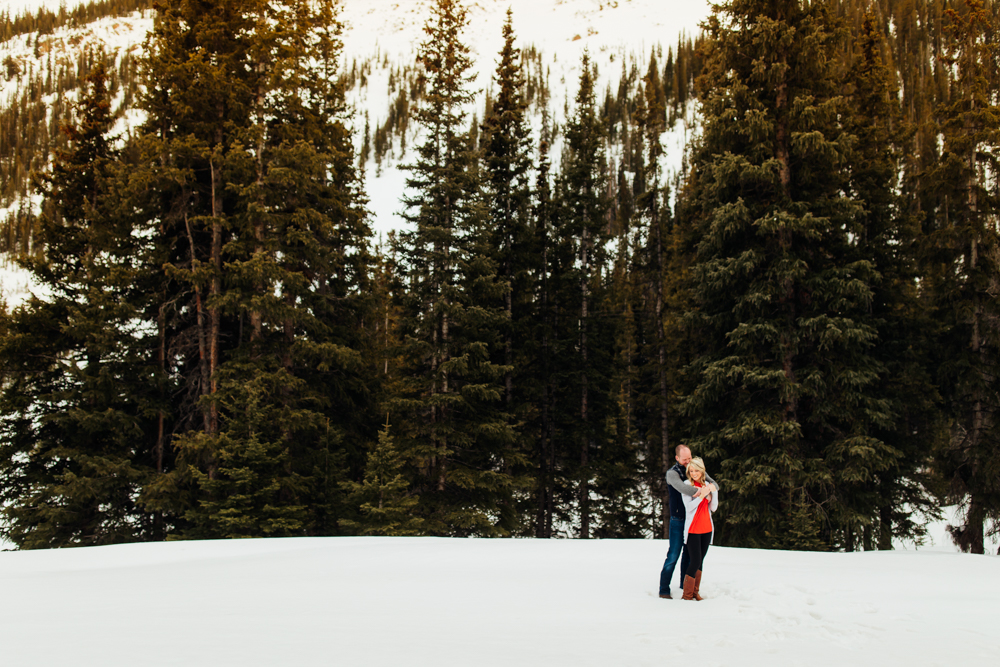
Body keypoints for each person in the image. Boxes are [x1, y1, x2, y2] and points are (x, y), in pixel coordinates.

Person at [658, 445, 718, 599]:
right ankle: (664, 589)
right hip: (679, 519)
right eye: (685, 459)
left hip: (694, 520)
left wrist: (710, 490)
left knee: (690, 556)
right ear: (677, 458)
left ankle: (685, 587)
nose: (688, 462)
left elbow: (714, 484)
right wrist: (704, 492)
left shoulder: (694, 468)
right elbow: (683, 489)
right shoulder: (672, 473)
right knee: (674, 554)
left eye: (690, 458)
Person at [680, 456, 718, 601]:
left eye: (696, 470)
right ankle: (687, 595)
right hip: (693, 530)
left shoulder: (708, 484)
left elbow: (713, 507)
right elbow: (689, 507)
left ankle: (695, 592)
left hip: (707, 529)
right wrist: (702, 496)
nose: (694, 473)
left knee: (700, 560)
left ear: (702, 471)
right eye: (691, 470)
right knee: (695, 560)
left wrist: (712, 493)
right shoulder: (686, 485)